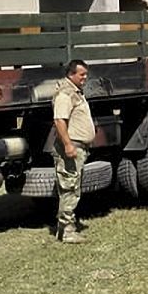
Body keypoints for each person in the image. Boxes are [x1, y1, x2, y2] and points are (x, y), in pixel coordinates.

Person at [51, 59, 93, 244]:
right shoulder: (65, 94)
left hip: (78, 146)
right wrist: (68, 145)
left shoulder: (75, 92)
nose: (85, 77)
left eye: (86, 74)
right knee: (70, 188)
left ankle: (66, 227)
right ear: (71, 74)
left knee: (73, 186)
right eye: (82, 74)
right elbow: (60, 120)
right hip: (72, 147)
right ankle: (67, 231)